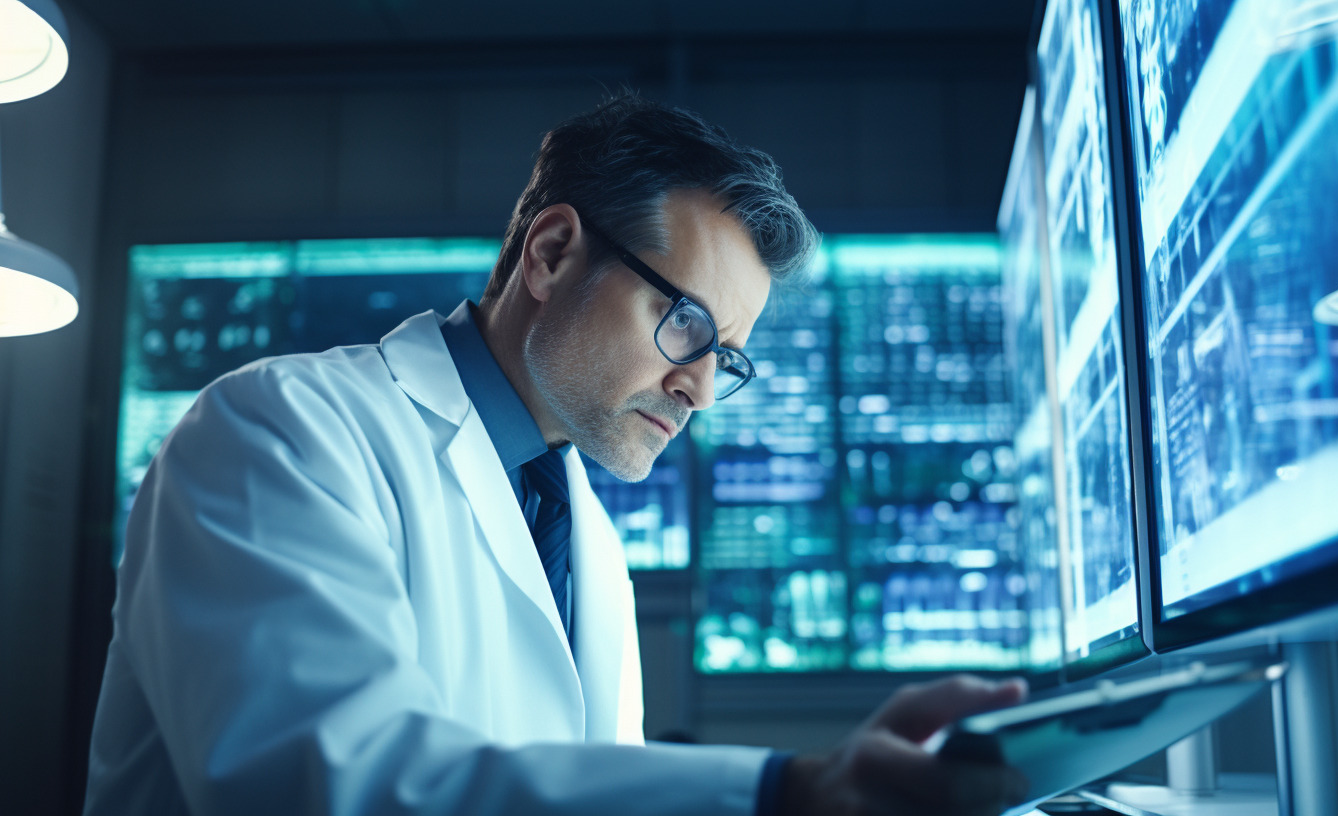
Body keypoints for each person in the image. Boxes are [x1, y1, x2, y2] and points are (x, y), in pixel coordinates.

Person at [84, 94, 1030, 816]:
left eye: (727, 357)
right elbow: (335, 782)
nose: (701, 388)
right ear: (550, 255)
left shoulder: (588, 549)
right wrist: (781, 794)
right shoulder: (278, 431)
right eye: (685, 323)